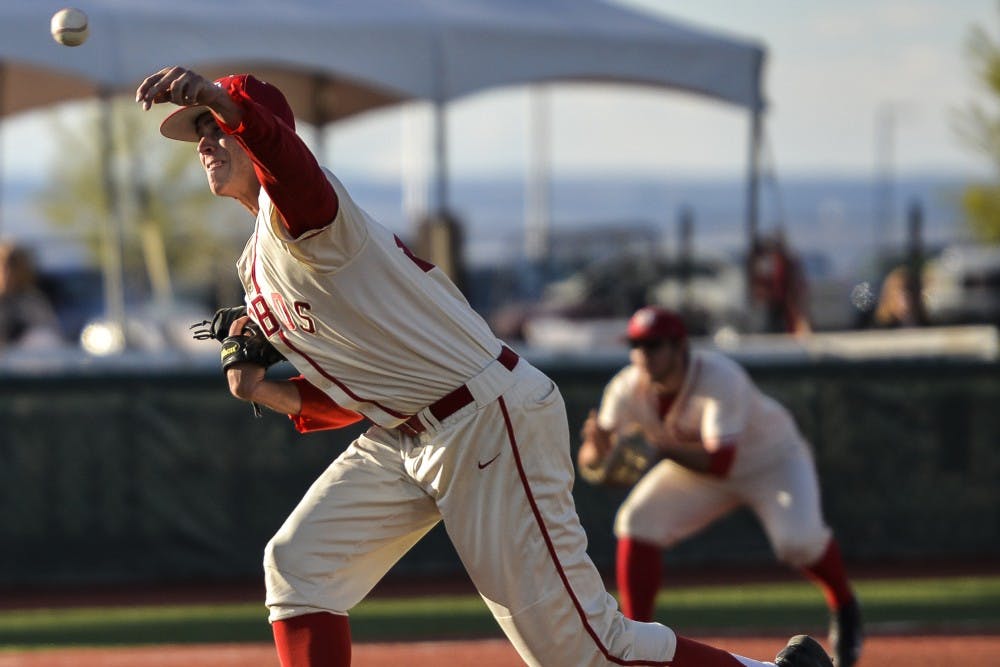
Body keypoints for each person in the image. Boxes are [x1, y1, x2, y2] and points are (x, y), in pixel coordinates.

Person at [136, 65, 835, 667]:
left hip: (483, 418)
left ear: (255, 128)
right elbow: (365, 389)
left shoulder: (311, 217)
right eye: (198, 129)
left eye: (213, 124)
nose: (203, 139)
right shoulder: (259, 261)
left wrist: (232, 106)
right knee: (300, 567)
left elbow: (292, 166)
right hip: (407, 430)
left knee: (580, 650)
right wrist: (265, 388)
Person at [578, 306, 863, 667]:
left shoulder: (718, 377)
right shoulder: (625, 387)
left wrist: (661, 448)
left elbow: (721, 461)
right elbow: (591, 460)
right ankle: (640, 639)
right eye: (636, 344)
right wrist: (596, 452)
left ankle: (844, 604)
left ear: (680, 346)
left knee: (798, 542)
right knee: (637, 521)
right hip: (698, 473)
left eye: (654, 344)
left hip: (772, 463)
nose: (643, 354)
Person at [0, 241, 64, 350]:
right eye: (3, 265)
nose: (7, 272)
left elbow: (47, 336)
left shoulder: (32, 301)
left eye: (12, 266)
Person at [749, 232, 812, 336]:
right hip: (776, 297)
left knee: (786, 319)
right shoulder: (771, 260)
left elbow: (788, 279)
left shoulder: (783, 260)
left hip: (783, 297)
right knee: (775, 320)